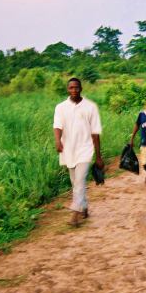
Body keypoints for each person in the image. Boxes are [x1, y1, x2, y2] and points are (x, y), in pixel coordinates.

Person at [53, 77, 103, 227]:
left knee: (80, 181)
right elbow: (57, 126)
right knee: (75, 182)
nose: (74, 90)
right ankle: (84, 206)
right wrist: (57, 140)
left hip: (85, 150)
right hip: (68, 149)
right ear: (67, 90)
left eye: (76, 87)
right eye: (71, 88)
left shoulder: (90, 107)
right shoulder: (60, 107)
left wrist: (99, 156)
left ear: (81, 88)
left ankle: (75, 215)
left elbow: (95, 132)